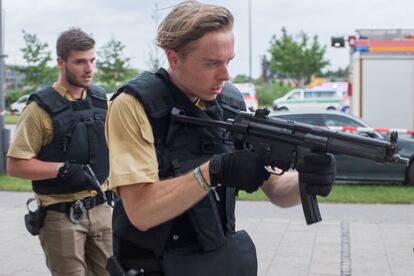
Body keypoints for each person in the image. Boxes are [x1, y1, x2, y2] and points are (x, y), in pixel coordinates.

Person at [105, 1, 335, 275]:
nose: (225, 75)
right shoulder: (134, 105)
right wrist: (213, 172)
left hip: (215, 264)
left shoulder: (230, 103)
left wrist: (306, 180)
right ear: (174, 58)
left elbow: (276, 191)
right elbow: (141, 212)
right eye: (212, 63)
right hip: (154, 266)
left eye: (228, 61)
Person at [7, 28, 112, 276]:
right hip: (62, 215)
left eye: (92, 60)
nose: (89, 69)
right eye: (80, 62)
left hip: (102, 210)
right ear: (61, 62)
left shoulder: (100, 99)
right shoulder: (39, 108)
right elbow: (15, 165)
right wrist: (63, 170)